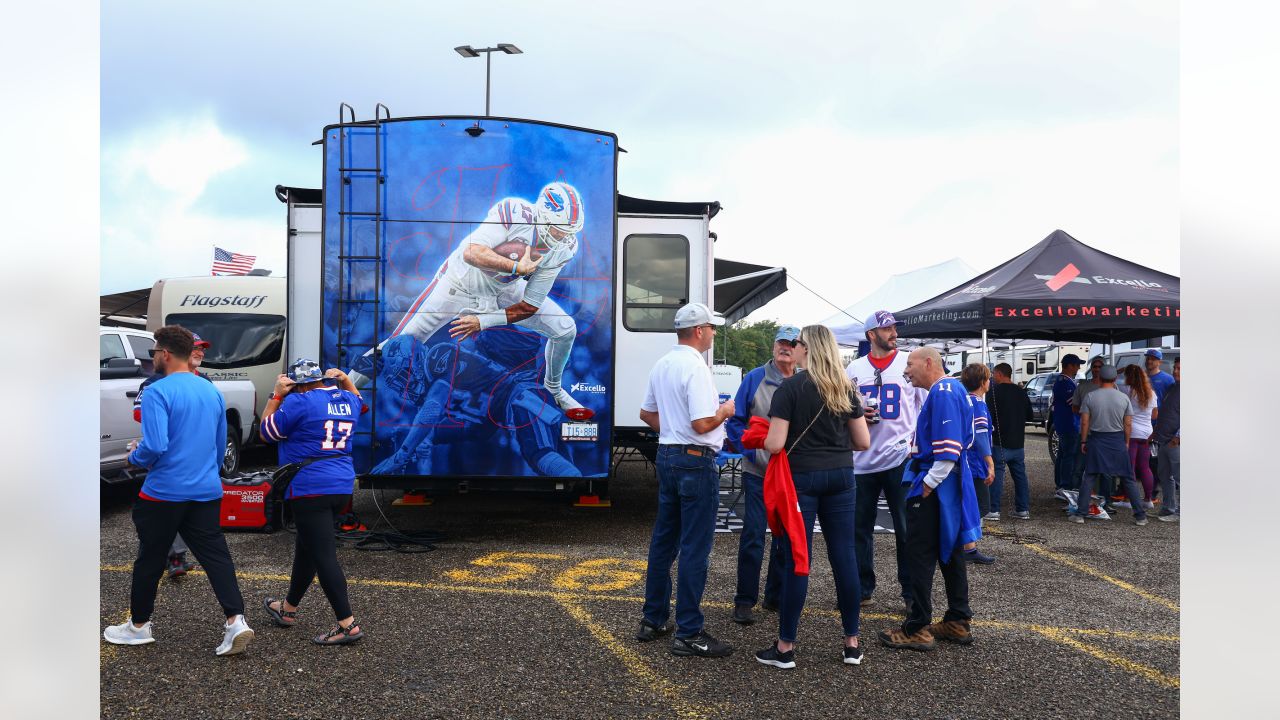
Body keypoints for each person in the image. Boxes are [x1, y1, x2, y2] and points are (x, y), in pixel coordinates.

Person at [348, 181, 588, 411]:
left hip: (504, 289)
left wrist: (482, 321)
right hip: (458, 284)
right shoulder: (515, 213)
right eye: (561, 230)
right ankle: (347, 394)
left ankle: (553, 390)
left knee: (565, 329)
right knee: (398, 344)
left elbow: (530, 305)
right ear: (544, 219)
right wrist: (517, 268)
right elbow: (471, 252)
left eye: (571, 232)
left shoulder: (564, 247)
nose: (565, 237)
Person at [103, 326, 254, 656]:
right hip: (206, 490)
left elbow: (155, 445)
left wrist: (134, 455)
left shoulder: (158, 391)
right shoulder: (210, 390)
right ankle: (235, 621)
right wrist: (206, 474)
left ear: (166, 354)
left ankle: (139, 626)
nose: (153, 357)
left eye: (155, 352)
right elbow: (218, 447)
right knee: (216, 557)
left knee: (150, 558)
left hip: (164, 492)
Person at [754, 324, 871, 669]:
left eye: (799, 343)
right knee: (845, 557)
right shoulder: (846, 387)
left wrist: (757, 436)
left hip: (801, 479)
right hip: (841, 476)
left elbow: (775, 443)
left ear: (809, 348)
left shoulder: (790, 388)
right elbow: (863, 442)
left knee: (798, 559)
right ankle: (852, 643)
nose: (795, 347)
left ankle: (786, 647)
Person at [636, 302, 736, 658]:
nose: (713, 332)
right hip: (695, 460)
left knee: (665, 541)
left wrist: (674, 433)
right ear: (698, 330)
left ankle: (653, 618)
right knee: (695, 547)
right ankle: (689, 631)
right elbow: (702, 424)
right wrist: (724, 410)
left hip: (669, 454)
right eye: (711, 327)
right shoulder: (695, 368)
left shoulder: (663, 363)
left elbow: (646, 412)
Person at [879, 348, 982, 652]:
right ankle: (957, 620)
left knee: (920, 554)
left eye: (909, 364)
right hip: (947, 485)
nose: (906, 371)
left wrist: (927, 484)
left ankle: (918, 626)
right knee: (949, 552)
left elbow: (948, 451)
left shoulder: (944, 391)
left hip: (938, 486)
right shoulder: (951, 389)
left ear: (928, 363)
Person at [366, 332, 579, 478]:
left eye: (403, 375)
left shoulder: (438, 356)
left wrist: (402, 454)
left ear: (415, 359)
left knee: (539, 455)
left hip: (520, 397)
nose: (404, 385)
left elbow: (432, 409)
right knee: (555, 469)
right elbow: (478, 429)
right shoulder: (441, 389)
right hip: (513, 407)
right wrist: (430, 437)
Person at [259, 359, 367, 645]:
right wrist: (344, 379)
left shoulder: (298, 402)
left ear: (297, 383)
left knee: (323, 556)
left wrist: (276, 395)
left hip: (310, 486)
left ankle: (347, 624)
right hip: (341, 483)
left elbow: (266, 431)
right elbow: (360, 401)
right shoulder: (346, 398)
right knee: (306, 548)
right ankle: (288, 608)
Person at [844, 310, 925, 612]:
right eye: (886, 328)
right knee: (859, 530)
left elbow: (923, 406)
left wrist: (918, 446)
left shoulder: (908, 363)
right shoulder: (854, 368)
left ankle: (909, 591)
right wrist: (853, 415)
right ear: (871, 335)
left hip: (899, 458)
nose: (893, 333)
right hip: (861, 461)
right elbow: (841, 407)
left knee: (906, 529)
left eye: (894, 328)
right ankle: (863, 588)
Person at [724, 324, 801, 625]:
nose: (785, 347)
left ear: (799, 350)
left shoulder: (806, 380)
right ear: (773, 346)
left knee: (785, 537)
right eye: (781, 342)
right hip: (757, 472)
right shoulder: (755, 378)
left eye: (792, 343)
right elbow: (735, 422)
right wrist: (753, 451)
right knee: (754, 535)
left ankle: (775, 596)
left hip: (791, 475)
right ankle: (744, 601)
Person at [133, 332, 214, 579]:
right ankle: (171, 557)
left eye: (203, 349)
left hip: (198, 466)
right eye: (196, 348)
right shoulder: (154, 384)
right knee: (163, 514)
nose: (200, 352)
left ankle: (177, 555)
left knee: (192, 517)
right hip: (168, 461)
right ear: (182, 352)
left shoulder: (207, 382)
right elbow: (140, 415)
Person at [1070, 365, 1147, 526]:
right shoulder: (1123, 398)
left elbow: (1084, 422)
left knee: (1090, 476)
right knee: (1128, 478)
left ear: (1100, 378)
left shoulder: (1090, 396)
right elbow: (1128, 424)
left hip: (1097, 440)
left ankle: (1080, 514)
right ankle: (1140, 516)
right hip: (1117, 440)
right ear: (1114, 379)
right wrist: (1126, 442)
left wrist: (1084, 441)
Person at [986, 363, 1033, 519]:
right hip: (1018, 442)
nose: (992, 377)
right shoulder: (1021, 392)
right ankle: (1023, 509)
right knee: (1020, 476)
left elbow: (987, 416)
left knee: (997, 475)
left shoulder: (993, 392)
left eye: (993, 374)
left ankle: (994, 509)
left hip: (999, 441)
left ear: (999, 374)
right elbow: (1030, 416)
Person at [960, 364, 996, 565]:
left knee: (967, 502)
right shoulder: (979, 404)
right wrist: (990, 463)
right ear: (983, 382)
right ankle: (968, 546)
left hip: (966, 461)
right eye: (988, 379)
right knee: (980, 506)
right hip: (975, 463)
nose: (990, 382)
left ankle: (967, 545)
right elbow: (981, 436)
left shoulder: (964, 401)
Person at [1066, 355, 1106, 498]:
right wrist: (1086, 414)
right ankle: (1075, 493)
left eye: (1099, 367)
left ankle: (1103, 496)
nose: (1096, 369)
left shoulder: (1111, 387)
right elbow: (1074, 407)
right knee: (1079, 466)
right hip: (1085, 432)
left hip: (1103, 433)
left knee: (1102, 467)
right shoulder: (1083, 386)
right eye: (1094, 366)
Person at [1121, 364, 1159, 508]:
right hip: (1146, 433)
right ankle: (1148, 500)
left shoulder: (1128, 391)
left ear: (1129, 377)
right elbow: (1155, 414)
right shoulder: (1152, 393)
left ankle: (1128, 500)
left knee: (1129, 467)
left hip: (1131, 433)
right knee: (1144, 467)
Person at [1152, 357, 1180, 521]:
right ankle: (1168, 507)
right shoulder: (1173, 387)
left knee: (1179, 477)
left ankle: (1180, 512)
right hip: (1164, 439)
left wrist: (1178, 437)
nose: (1175, 371)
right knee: (1165, 475)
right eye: (1175, 368)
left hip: (1175, 441)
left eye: (1179, 369)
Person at [1051, 354, 1083, 493]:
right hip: (1070, 423)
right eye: (1077, 365)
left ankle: (1061, 483)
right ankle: (1065, 485)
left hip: (1064, 423)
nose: (1078, 368)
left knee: (1063, 455)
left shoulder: (1063, 380)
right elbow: (1075, 404)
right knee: (1069, 456)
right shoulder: (1065, 382)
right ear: (1069, 365)